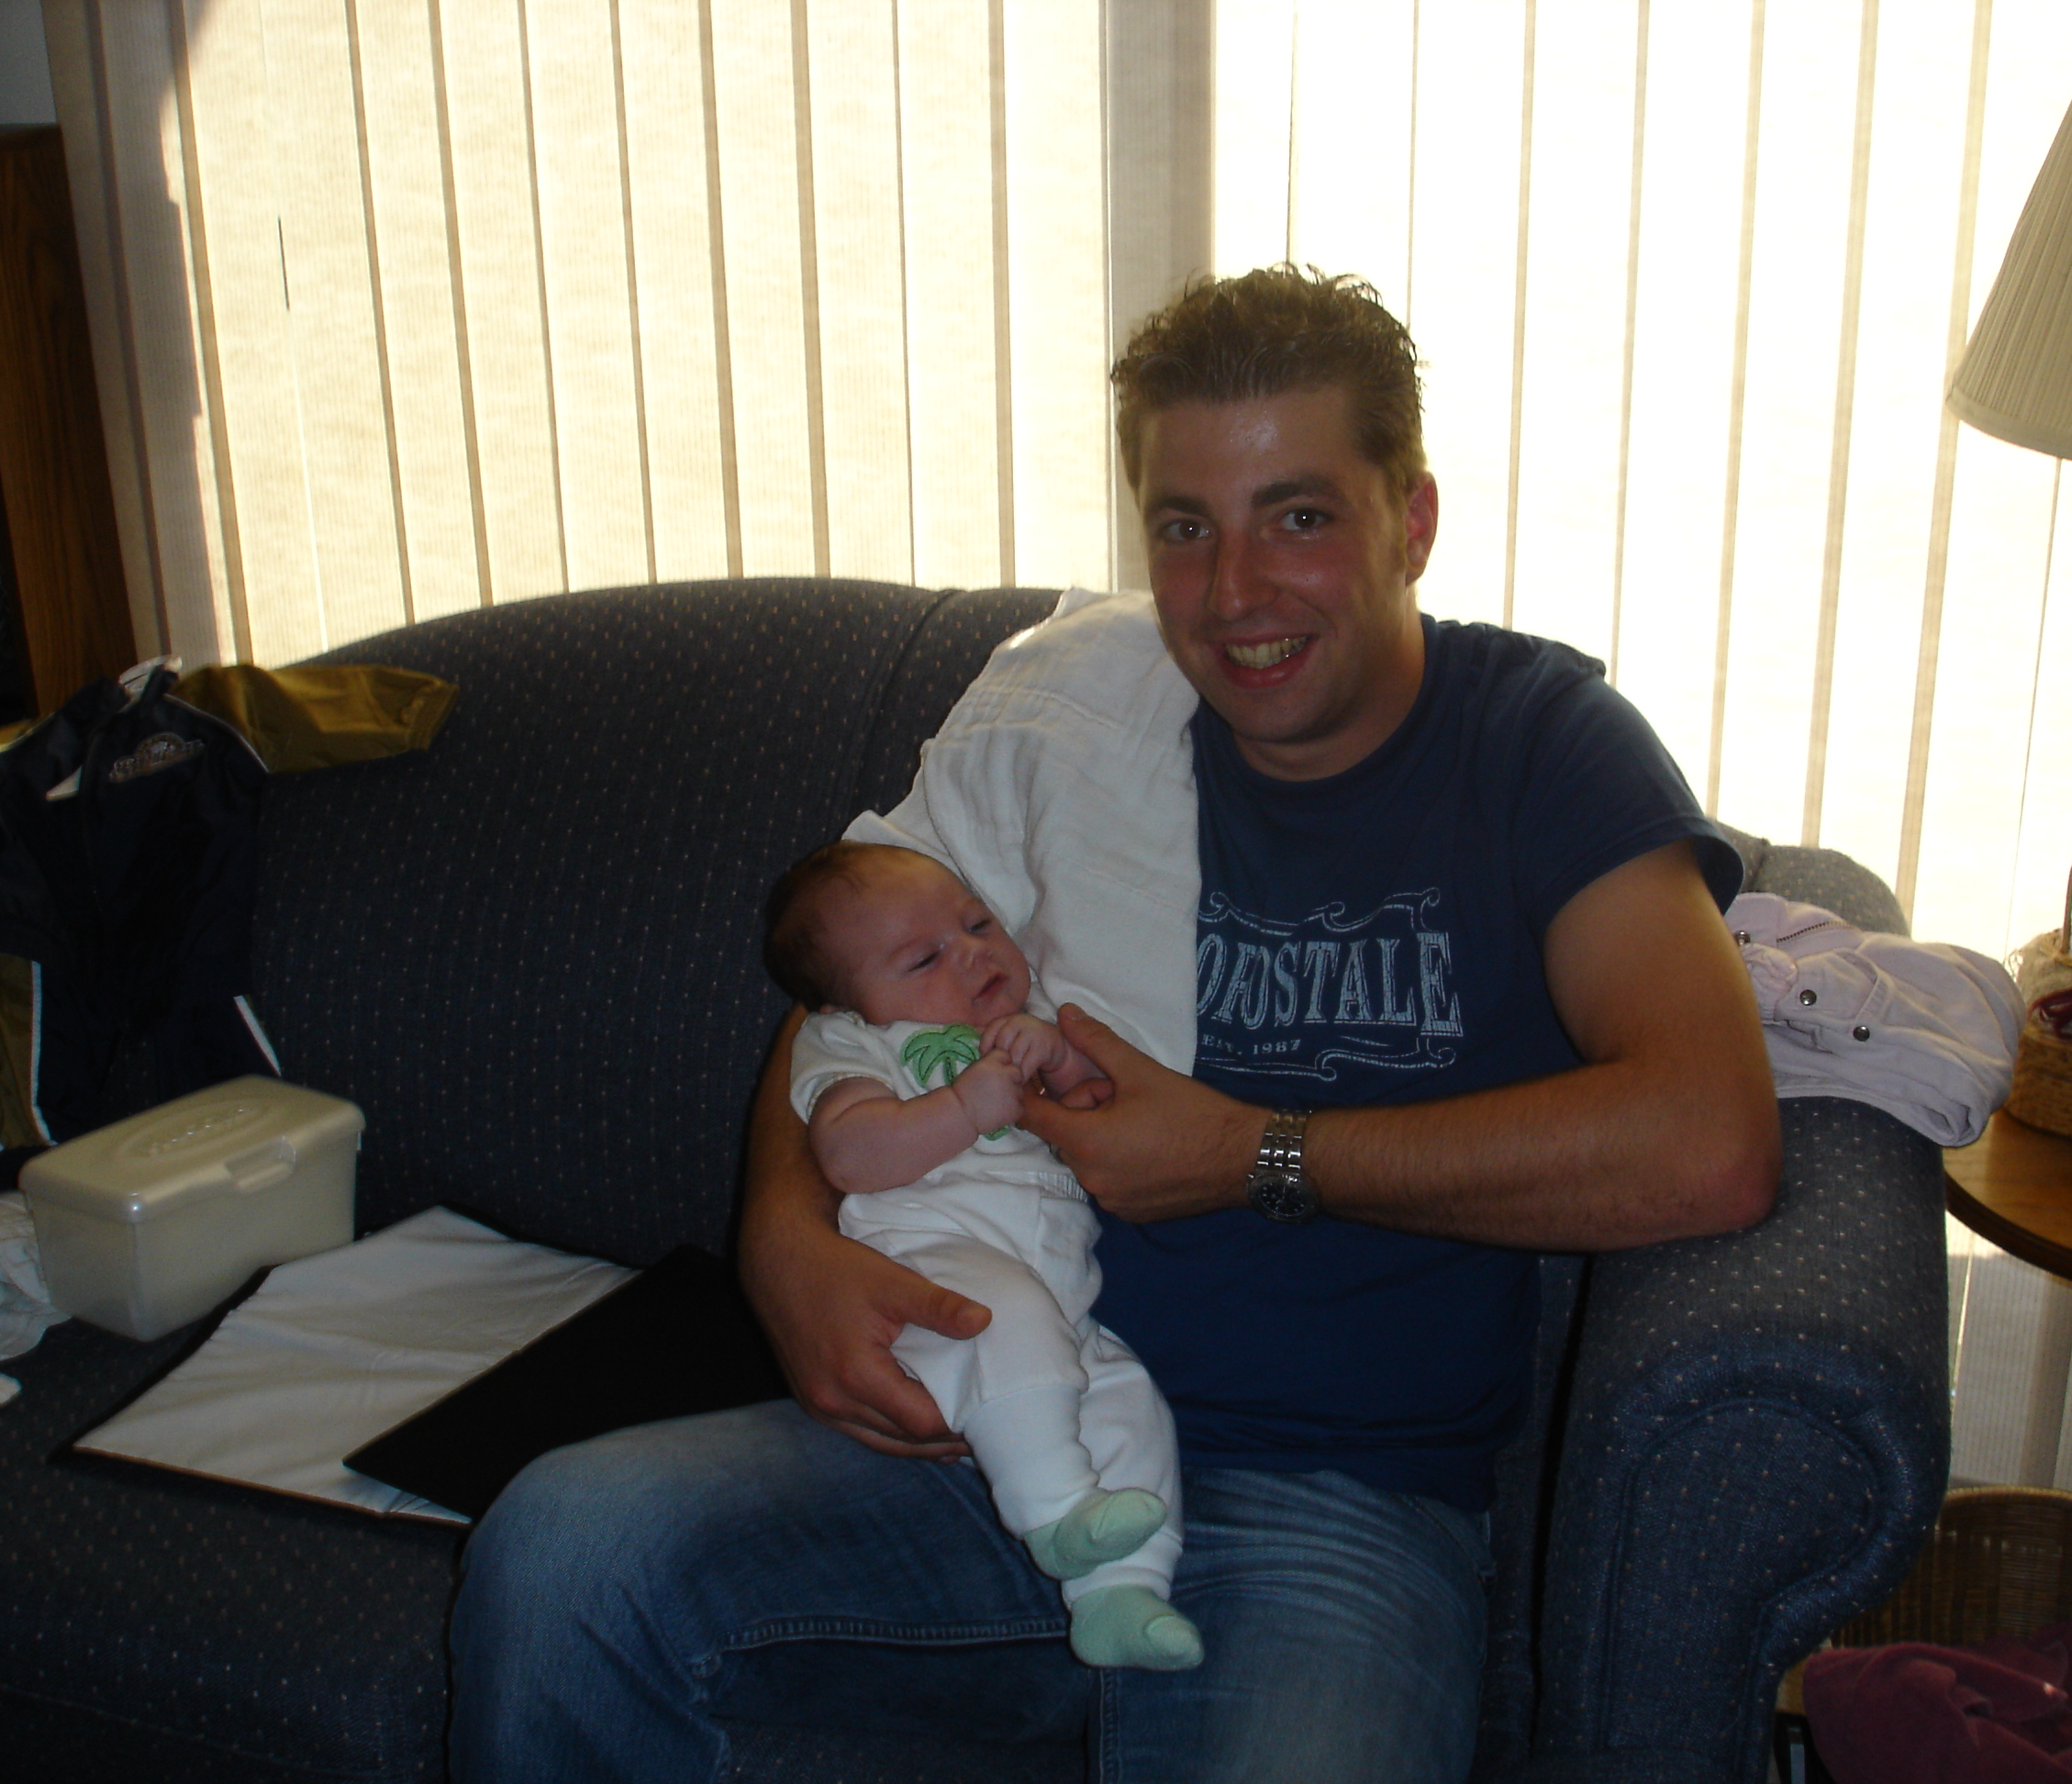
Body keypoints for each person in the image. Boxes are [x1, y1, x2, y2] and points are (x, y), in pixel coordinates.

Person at [449, 266, 1780, 1784]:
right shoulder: (1073, 715)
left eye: (1298, 515)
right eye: (1182, 526)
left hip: (1330, 1496)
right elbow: (849, 982)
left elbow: (1709, 1140)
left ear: (1410, 519)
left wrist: (1251, 1153)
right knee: (565, 1552)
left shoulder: (1538, 746)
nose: (1233, 592)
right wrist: (783, 1241)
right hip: (985, 1419)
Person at [763, 839, 1200, 1672]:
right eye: (924, 958)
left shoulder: (1025, 1022)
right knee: (1007, 1322)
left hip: (1060, 1296)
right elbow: (850, 1154)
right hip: (929, 1259)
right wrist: (965, 1106)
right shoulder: (855, 1045)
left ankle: (1121, 1594)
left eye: (976, 923)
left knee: (1125, 1401)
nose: (971, 952)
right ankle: (1056, 1512)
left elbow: (1100, 1109)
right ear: (846, 1004)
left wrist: (1062, 1061)